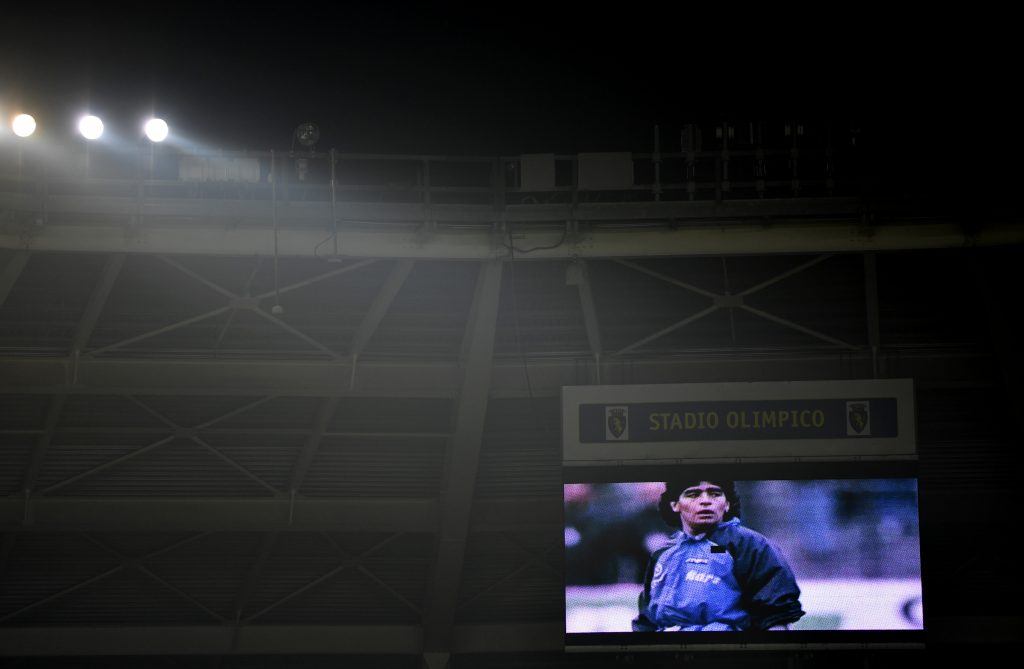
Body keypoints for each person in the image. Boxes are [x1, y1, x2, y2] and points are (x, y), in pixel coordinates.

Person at [632, 478, 804, 632]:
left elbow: (775, 613)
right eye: (693, 494)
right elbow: (647, 618)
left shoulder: (747, 546)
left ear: (727, 504)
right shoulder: (665, 553)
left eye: (715, 494)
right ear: (675, 504)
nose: (706, 501)